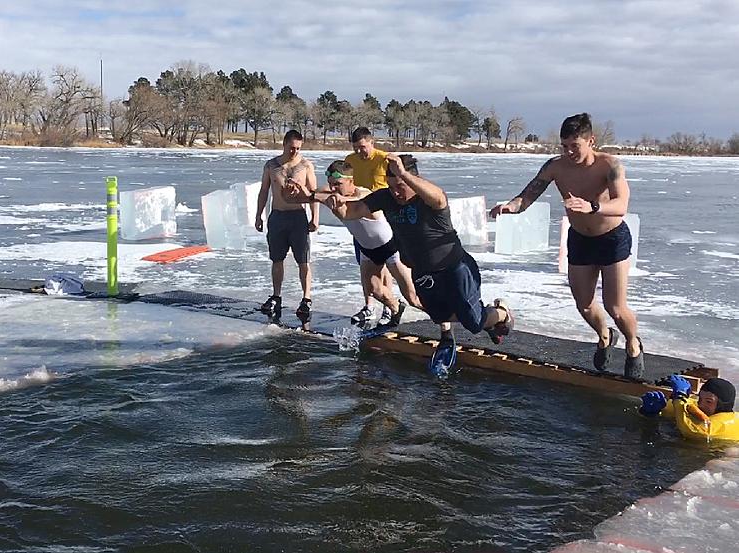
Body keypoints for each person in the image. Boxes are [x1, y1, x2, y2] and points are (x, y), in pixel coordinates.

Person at [286, 154, 514, 377]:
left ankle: (502, 314)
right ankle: (451, 333)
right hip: (423, 272)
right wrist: (321, 199)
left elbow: (439, 196)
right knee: (439, 314)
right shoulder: (386, 198)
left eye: (401, 185)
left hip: (455, 268)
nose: (397, 192)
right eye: (392, 186)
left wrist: (403, 173)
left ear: (415, 181)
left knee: (473, 323)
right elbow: (350, 210)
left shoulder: (430, 200)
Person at [490, 113, 642, 379]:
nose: (569, 151)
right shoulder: (555, 167)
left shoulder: (610, 166)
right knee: (583, 304)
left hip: (612, 239)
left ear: (591, 141)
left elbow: (622, 205)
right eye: (564, 146)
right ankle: (604, 336)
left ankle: (633, 344)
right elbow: (527, 195)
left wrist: (593, 207)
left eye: (575, 145)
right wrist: (510, 207)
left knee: (615, 307)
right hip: (581, 239)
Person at [310, 160, 422, 327]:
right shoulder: (332, 194)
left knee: (412, 296)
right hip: (367, 250)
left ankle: (446, 321)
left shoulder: (363, 193)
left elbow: (360, 198)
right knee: (374, 290)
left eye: (338, 184)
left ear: (351, 181)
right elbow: (309, 194)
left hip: (390, 247)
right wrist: (298, 192)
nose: (333, 188)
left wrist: (332, 198)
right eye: (331, 184)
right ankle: (396, 308)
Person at [254, 129, 319, 319]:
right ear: (284, 144)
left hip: (298, 217)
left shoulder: (306, 165)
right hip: (278, 217)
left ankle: (306, 299)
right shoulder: (271, 166)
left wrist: (315, 218)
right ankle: (276, 296)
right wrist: (259, 215)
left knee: (303, 260)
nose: (295, 152)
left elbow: (314, 194)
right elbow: (264, 191)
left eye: (298, 148)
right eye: (292, 148)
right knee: (277, 259)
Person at [345, 127, 395, 326]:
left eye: (363, 147)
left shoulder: (385, 159)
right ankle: (369, 306)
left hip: (382, 220)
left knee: (384, 266)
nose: (359, 151)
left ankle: (388, 308)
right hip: (360, 219)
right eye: (356, 148)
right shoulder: (350, 160)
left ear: (371, 143)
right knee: (364, 265)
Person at [639, 375, 739, 441]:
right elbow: (678, 408)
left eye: (708, 401)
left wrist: (680, 397)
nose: (701, 405)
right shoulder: (699, 407)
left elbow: (693, 431)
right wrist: (652, 413)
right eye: (700, 398)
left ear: (722, 405)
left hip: (718, 452)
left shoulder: (726, 423)